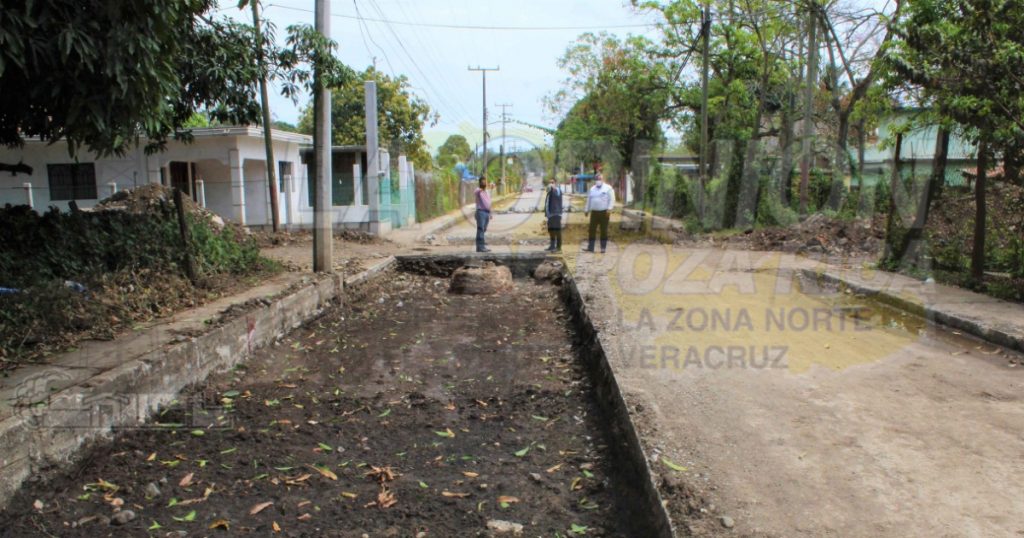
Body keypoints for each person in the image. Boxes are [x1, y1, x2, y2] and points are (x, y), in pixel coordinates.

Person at [583, 173, 615, 253]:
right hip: (594, 213)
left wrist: (609, 209)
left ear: (602, 179)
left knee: (603, 230)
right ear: (595, 180)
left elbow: (612, 199)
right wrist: (586, 210)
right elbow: (589, 200)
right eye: (597, 179)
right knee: (591, 230)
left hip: (604, 212)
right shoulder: (592, 189)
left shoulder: (608, 188)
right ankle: (591, 247)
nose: (598, 181)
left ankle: (603, 248)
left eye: (600, 179)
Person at [544, 178, 564, 252]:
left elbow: (557, 195)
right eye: (550, 182)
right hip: (550, 215)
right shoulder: (550, 192)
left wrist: (554, 188)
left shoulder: (558, 190)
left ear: (556, 183)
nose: (551, 184)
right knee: (551, 231)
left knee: (557, 231)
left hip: (556, 214)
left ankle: (558, 247)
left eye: (552, 182)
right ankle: (552, 246)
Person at [474, 176, 492, 253]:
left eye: (485, 181)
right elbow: (476, 192)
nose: (485, 183)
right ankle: (480, 247)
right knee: (480, 229)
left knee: (483, 229)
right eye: (483, 182)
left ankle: (480, 246)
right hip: (480, 212)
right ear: (480, 183)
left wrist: (490, 213)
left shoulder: (487, 192)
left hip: (487, 212)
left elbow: (489, 202)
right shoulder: (478, 190)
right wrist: (482, 188)